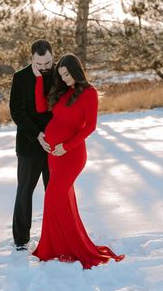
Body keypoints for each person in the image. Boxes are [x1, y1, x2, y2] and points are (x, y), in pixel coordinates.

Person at [31, 53, 125, 269]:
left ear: (76, 71)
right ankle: (56, 247)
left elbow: (90, 126)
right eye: (61, 75)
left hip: (71, 156)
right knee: (61, 201)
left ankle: (75, 248)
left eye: (67, 74)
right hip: (54, 155)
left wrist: (67, 146)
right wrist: (38, 79)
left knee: (53, 198)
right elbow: (39, 107)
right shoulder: (64, 92)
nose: (64, 79)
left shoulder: (89, 93)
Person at [10, 40, 54, 251]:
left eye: (48, 62)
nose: (45, 67)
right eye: (40, 63)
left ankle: (54, 234)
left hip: (54, 143)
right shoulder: (20, 77)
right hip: (28, 145)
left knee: (54, 191)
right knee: (25, 191)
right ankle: (21, 240)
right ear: (31, 59)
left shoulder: (59, 74)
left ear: (53, 56)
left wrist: (53, 135)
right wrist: (37, 135)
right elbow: (17, 112)